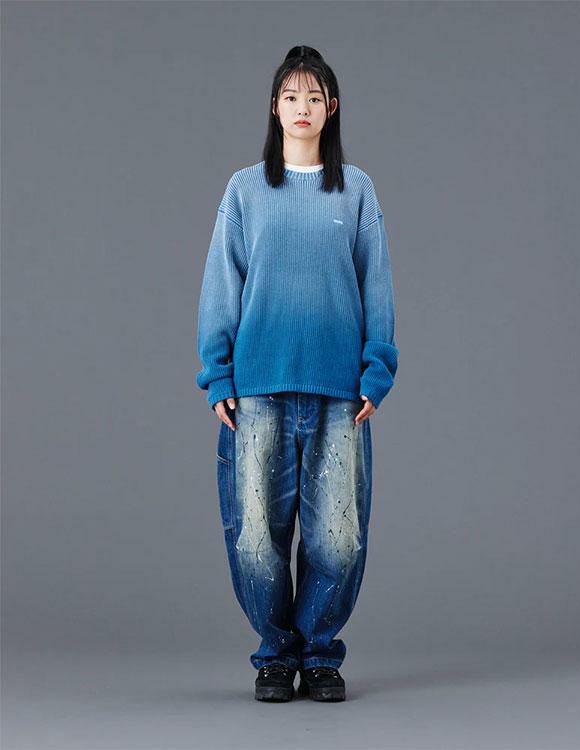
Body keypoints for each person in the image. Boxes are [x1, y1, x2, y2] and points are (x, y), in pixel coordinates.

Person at [195, 45, 398, 702]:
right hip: (258, 390)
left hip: (340, 393)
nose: (302, 107)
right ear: (274, 108)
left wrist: (376, 371)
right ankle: (275, 657)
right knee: (256, 536)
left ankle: (320, 654)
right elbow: (222, 284)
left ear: (331, 107)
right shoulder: (245, 191)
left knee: (339, 538)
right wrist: (218, 375)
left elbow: (376, 285)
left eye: (314, 96)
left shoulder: (357, 191)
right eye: (290, 96)